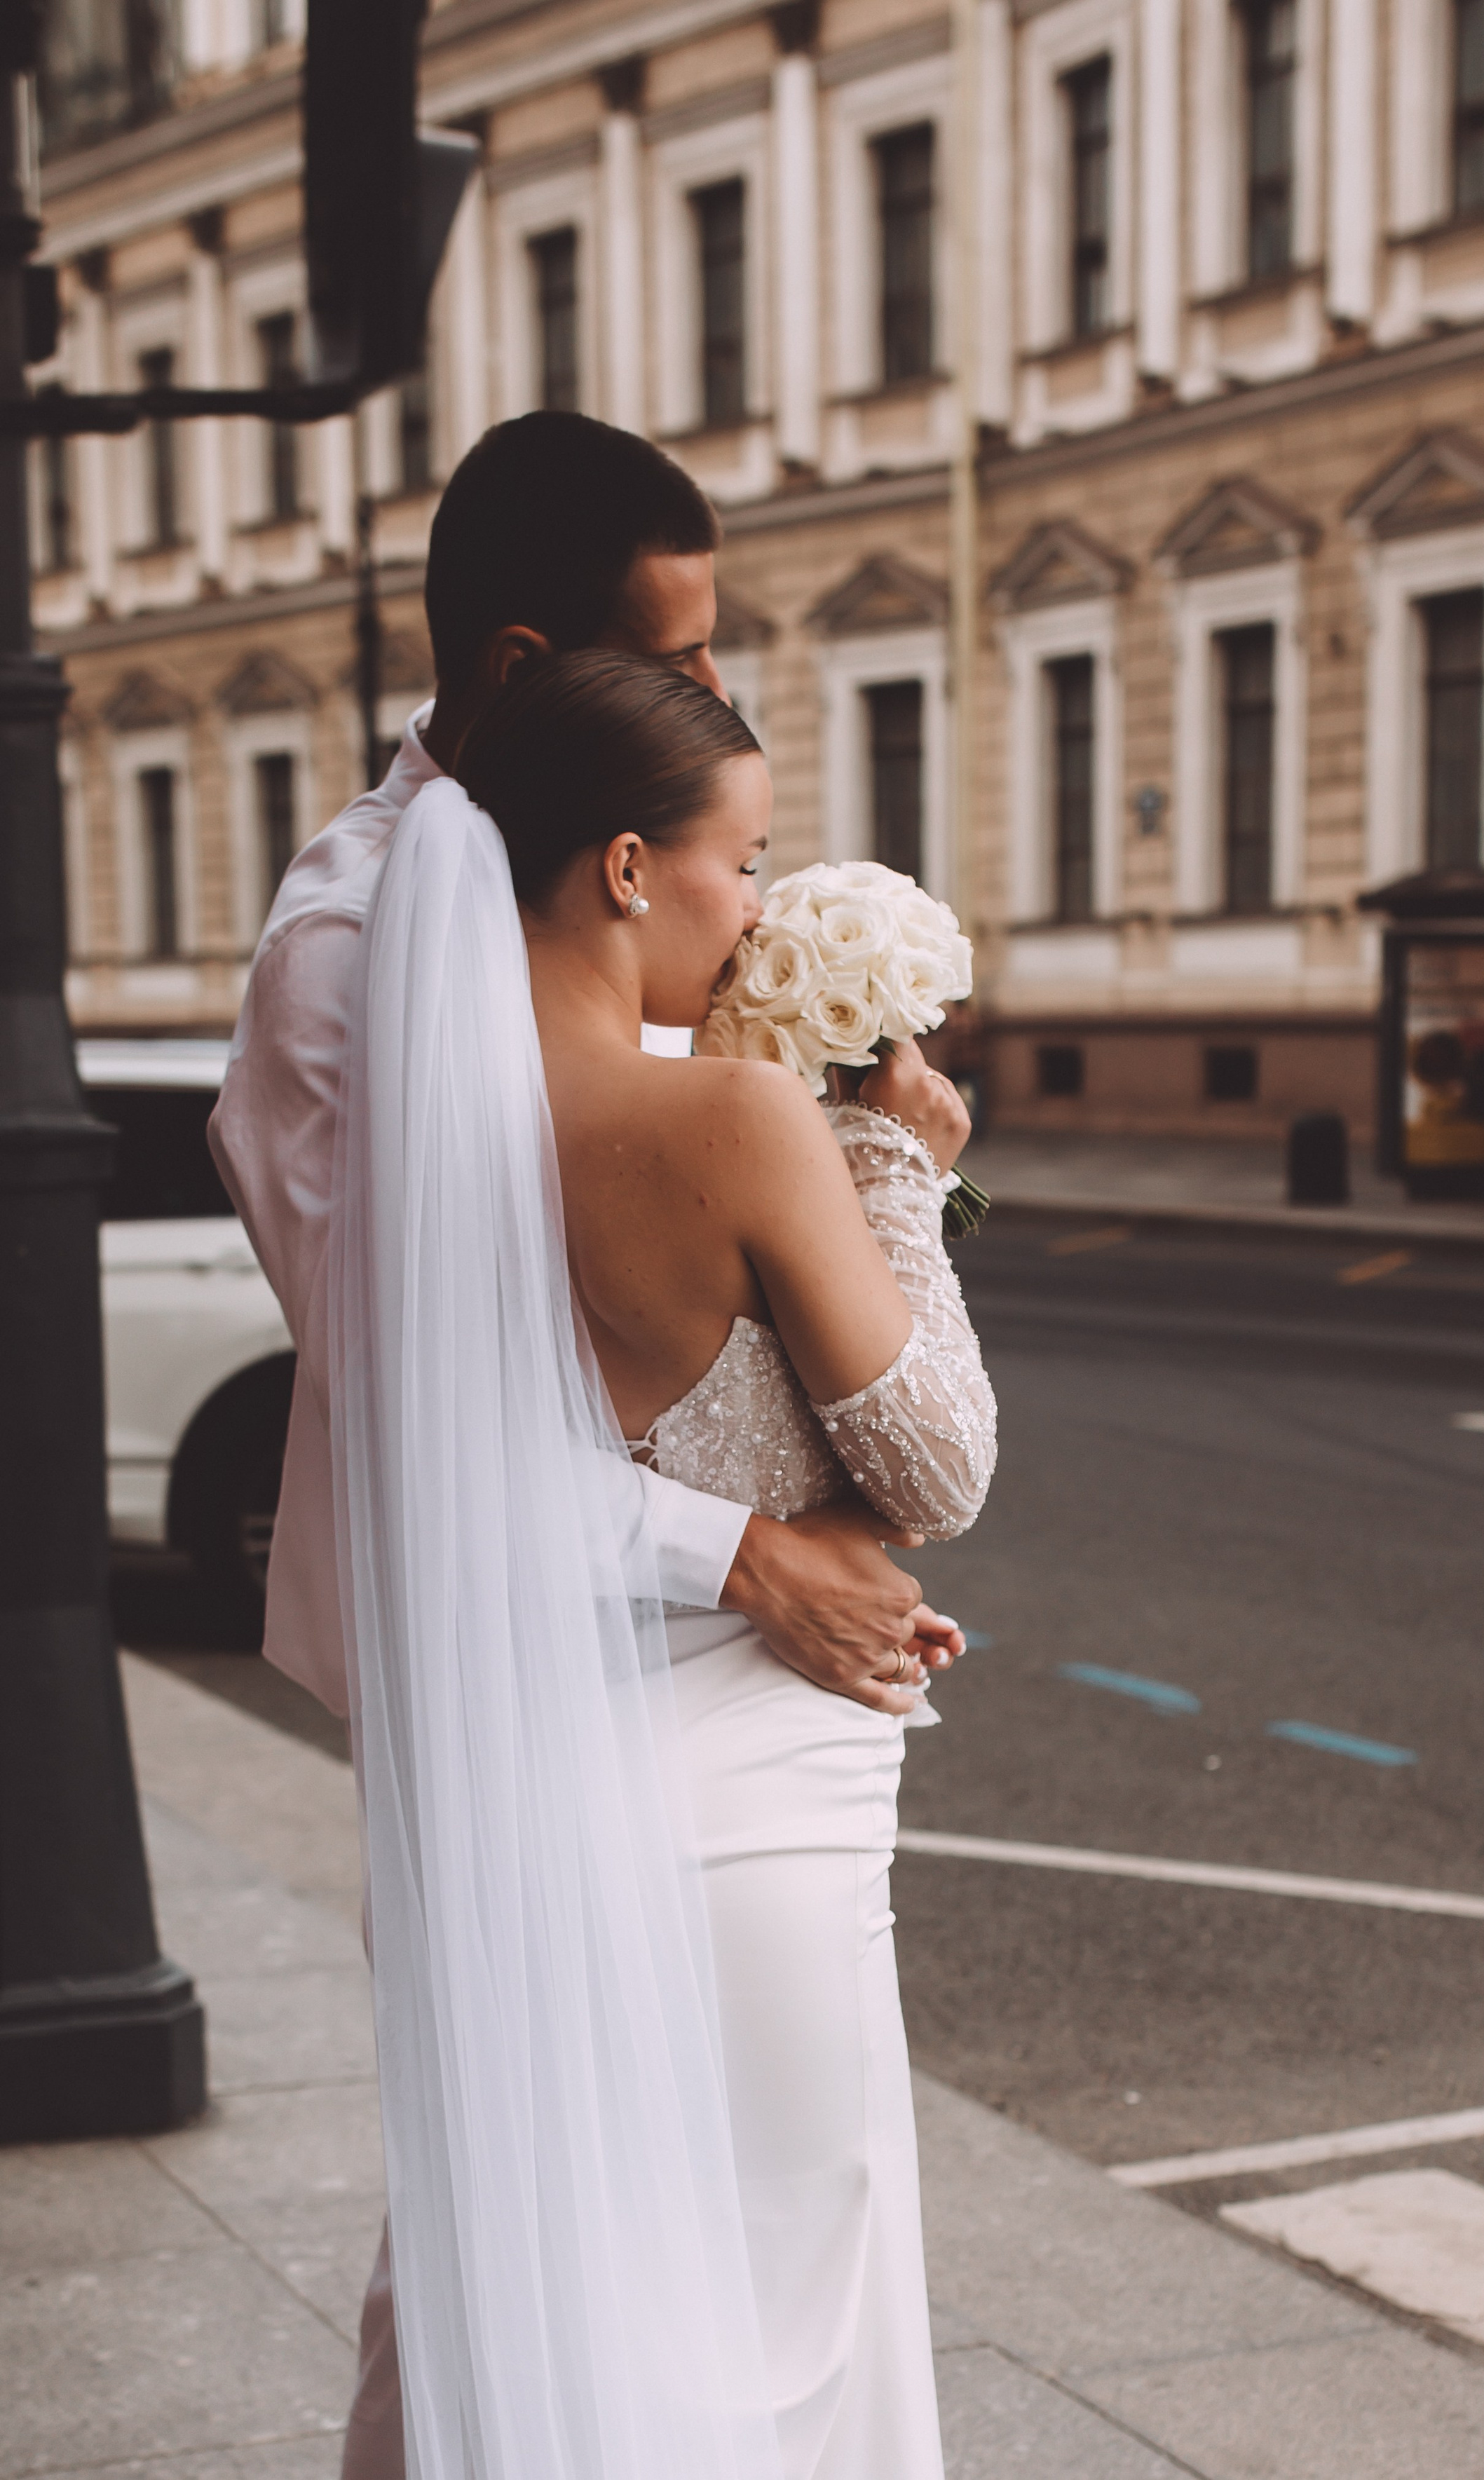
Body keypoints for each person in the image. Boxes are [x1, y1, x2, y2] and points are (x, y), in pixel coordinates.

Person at [208, 413, 966, 2480]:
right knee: (513, 2236)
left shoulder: (566, 895)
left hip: (667, 1668)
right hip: (514, 1668)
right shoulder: (356, 964)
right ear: (532, 662)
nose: (713, 694)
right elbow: (429, 1407)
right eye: (685, 654)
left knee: (559, 2233)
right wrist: (750, 1552)